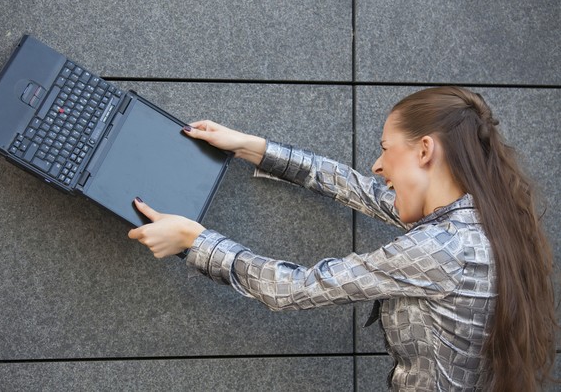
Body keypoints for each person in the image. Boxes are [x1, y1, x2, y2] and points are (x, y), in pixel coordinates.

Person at [127, 86, 556, 391]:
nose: (377, 165)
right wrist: (250, 146)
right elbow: (354, 187)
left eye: (386, 149)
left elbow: (296, 289)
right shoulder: (478, 223)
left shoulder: (440, 250)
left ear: (424, 150)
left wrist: (194, 240)